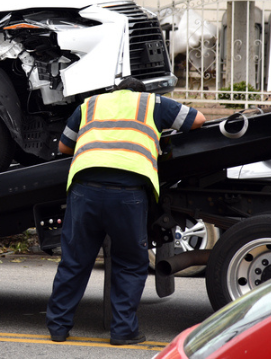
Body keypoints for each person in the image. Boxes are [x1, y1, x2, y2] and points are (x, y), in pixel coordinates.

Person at [46, 77, 205, 345]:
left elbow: (63, 147)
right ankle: (122, 331)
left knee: (74, 261)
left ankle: (58, 328)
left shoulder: (90, 104)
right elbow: (198, 120)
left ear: (115, 91)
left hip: (85, 191)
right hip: (128, 194)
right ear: (140, 92)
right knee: (130, 263)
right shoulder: (152, 103)